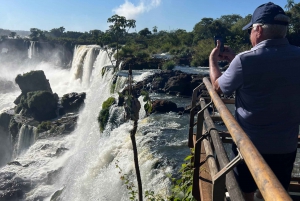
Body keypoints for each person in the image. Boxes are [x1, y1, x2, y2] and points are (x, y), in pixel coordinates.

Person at [209, 2, 300, 201]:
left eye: (250, 29)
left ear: (258, 29)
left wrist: (213, 61)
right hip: (286, 146)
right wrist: (235, 60)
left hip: (250, 147)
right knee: (277, 193)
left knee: (244, 192)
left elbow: (218, 86)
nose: (250, 33)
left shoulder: (244, 60)